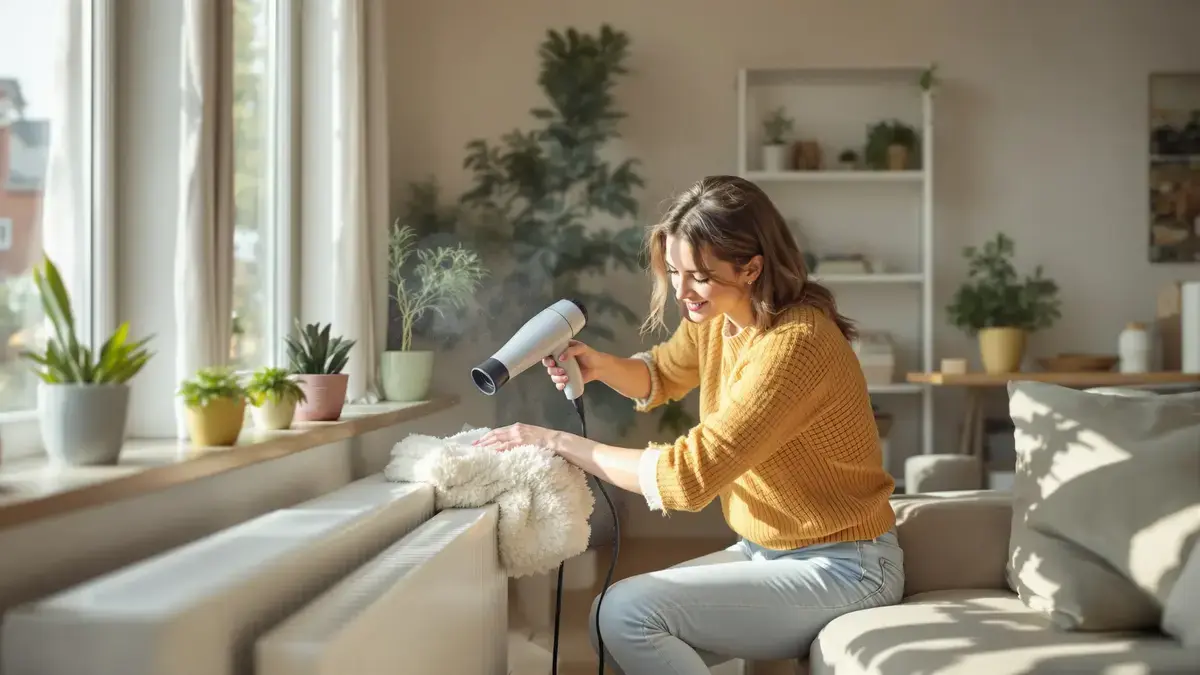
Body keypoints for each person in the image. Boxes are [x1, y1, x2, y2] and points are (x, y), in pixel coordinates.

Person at [473, 175, 904, 674]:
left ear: (751, 268)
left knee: (628, 614)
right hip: (765, 551)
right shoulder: (721, 319)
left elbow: (687, 477)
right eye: (674, 271)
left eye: (699, 275)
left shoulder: (796, 345)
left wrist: (557, 442)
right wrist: (600, 366)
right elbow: (662, 373)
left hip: (845, 567)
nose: (682, 291)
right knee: (603, 620)